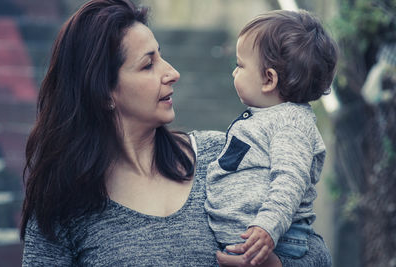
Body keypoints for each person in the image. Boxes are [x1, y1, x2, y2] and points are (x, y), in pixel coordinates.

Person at [20, 1, 332, 266]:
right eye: (148, 65)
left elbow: (315, 251)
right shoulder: (63, 202)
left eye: (161, 56)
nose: (172, 73)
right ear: (104, 92)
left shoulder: (222, 155)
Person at [205, 10, 337, 267]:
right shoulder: (268, 118)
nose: (234, 73)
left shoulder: (291, 123)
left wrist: (267, 227)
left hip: (275, 239)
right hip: (254, 238)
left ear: (268, 79)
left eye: (239, 65)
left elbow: (290, 180)